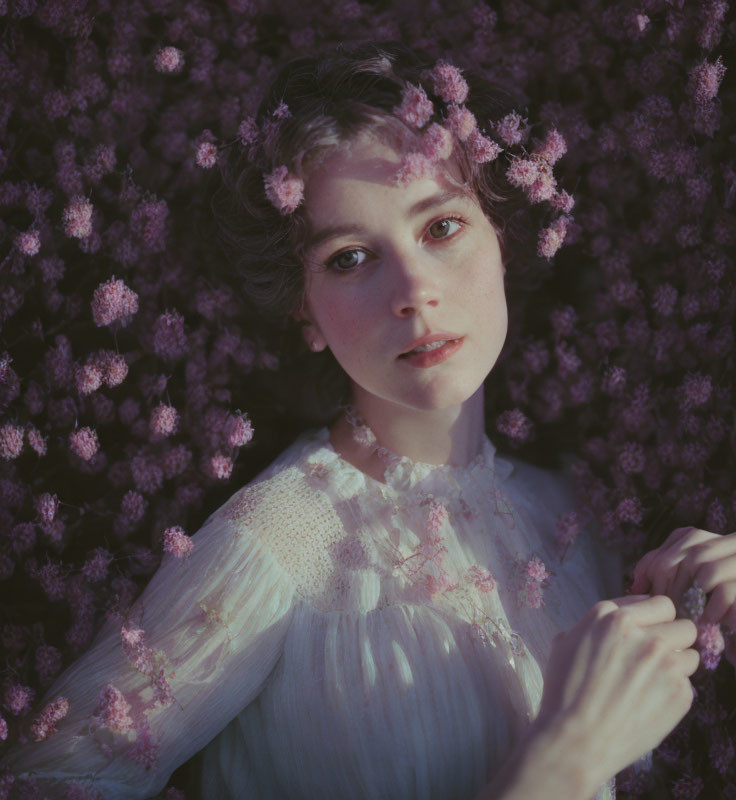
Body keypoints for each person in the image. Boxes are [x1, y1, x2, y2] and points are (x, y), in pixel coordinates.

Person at [4, 40, 734, 800]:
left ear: (503, 239)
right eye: (351, 258)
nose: (415, 292)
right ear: (304, 309)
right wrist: (562, 761)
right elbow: (48, 781)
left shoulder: (572, 513)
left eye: (442, 228)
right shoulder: (281, 540)